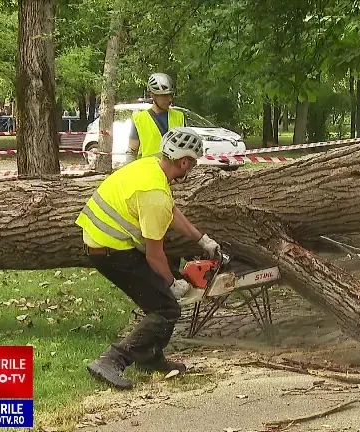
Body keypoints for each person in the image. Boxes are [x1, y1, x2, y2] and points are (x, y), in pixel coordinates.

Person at [75, 126, 221, 390]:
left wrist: (201, 239)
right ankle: (112, 359)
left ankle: (150, 357)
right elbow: (155, 255)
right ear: (184, 161)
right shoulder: (154, 195)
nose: (192, 169)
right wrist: (172, 283)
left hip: (104, 243)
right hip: (110, 252)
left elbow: (172, 211)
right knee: (166, 308)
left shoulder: (152, 167)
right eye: (192, 163)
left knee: (158, 300)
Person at [128, 73, 186, 162]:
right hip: (149, 173)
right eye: (165, 95)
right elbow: (131, 153)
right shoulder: (139, 119)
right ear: (152, 95)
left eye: (171, 95)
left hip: (173, 174)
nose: (170, 99)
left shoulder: (179, 117)